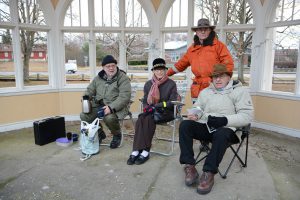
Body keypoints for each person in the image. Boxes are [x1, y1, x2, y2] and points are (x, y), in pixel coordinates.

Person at [179, 63, 253, 194]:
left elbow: (246, 116)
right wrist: (195, 113)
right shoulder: (206, 92)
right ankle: (190, 166)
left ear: (228, 77)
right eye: (215, 77)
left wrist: (224, 120)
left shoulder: (239, 91)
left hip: (227, 129)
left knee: (221, 133)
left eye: (221, 76)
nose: (218, 79)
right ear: (212, 78)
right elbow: (198, 107)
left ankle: (209, 172)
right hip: (207, 126)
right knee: (185, 125)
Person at [126, 58, 178, 165]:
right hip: (152, 111)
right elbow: (145, 99)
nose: (159, 72)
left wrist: (156, 106)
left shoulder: (171, 84)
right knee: (141, 117)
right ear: (153, 71)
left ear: (165, 70)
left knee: (148, 119)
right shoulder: (148, 84)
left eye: (161, 69)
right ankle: (136, 151)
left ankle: (145, 151)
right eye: (157, 69)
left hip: (166, 112)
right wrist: (146, 107)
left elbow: (172, 102)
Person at [167, 18, 234, 99]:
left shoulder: (219, 46)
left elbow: (228, 65)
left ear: (210, 31)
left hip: (214, 88)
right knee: (196, 111)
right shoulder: (192, 49)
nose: (203, 32)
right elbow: (180, 65)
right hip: (197, 89)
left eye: (205, 29)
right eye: (200, 29)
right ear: (196, 32)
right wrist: (166, 74)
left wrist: (219, 81)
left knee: (213, 110)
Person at [80, 55, 131, 149]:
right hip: (99, 105)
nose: (111, 68)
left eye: (113, 65)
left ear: (116, 66)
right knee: (84, 115)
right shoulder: (98, 78)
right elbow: (90, 90)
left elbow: (125, 97)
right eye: (108, 66)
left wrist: (111, 107)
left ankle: (117, 135)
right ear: (103, 67)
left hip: (116, 107)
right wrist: (85, 97)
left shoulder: (123, 78)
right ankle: (99, 132)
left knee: (109, 118)